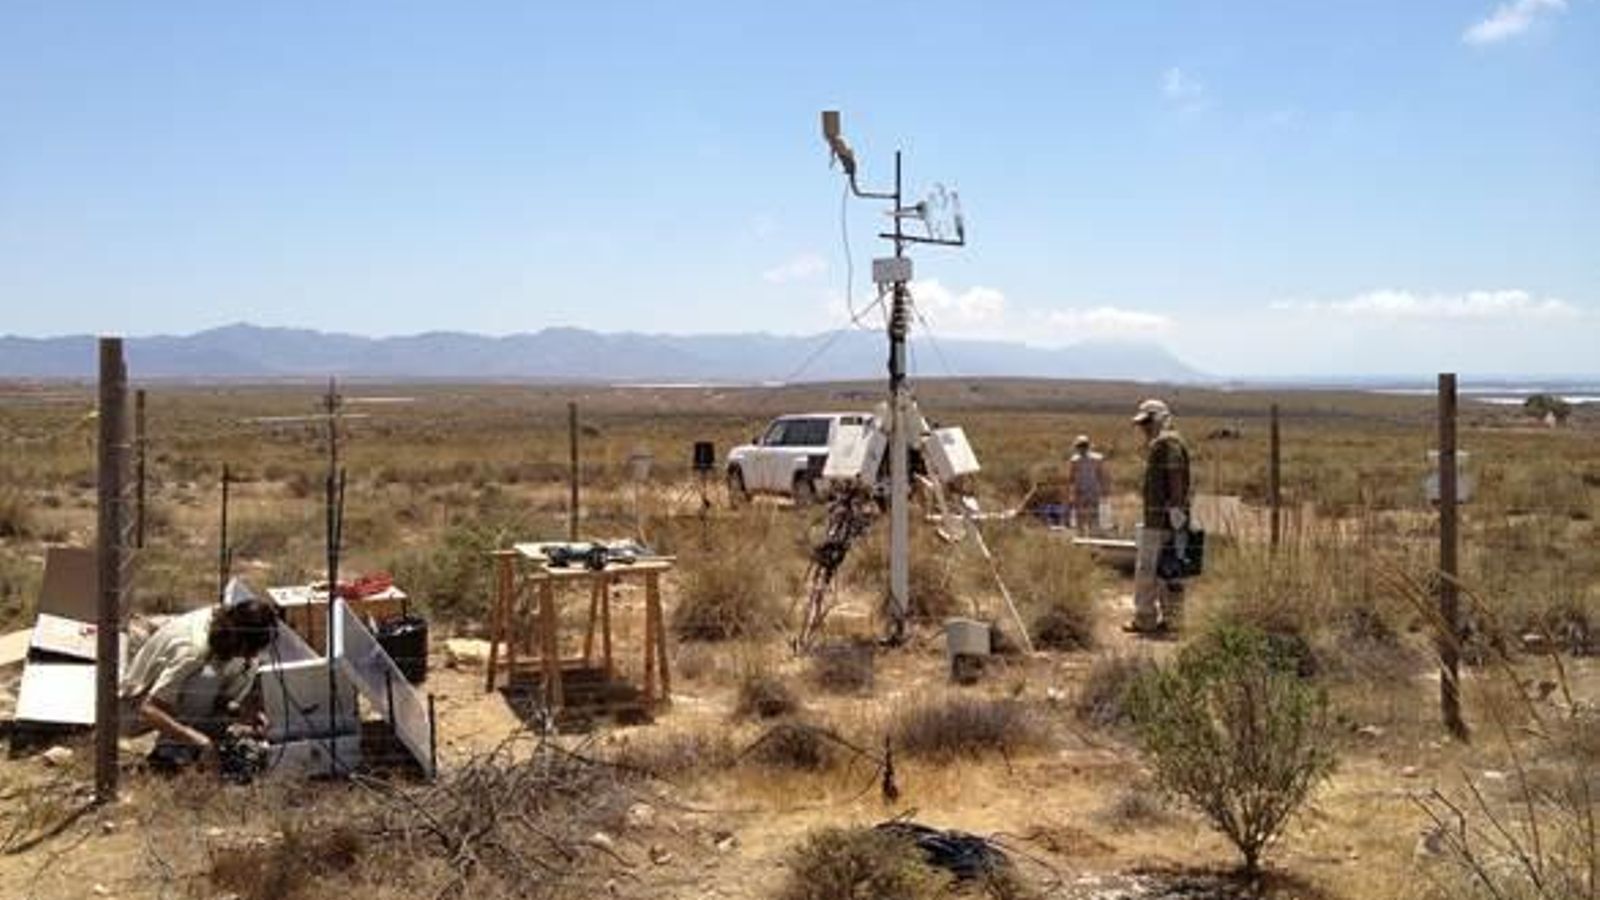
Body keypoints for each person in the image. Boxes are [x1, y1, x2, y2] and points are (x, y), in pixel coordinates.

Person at [120, 597, 278, 771]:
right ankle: (171, 753)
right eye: (249, 650)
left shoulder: (226, 629)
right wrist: (199, 741)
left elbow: (222, 699)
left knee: (236, 669)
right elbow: (148, 709)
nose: (250, 656)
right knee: (206, 678)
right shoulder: (194, 648)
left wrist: (244, 712)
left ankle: (192, 746)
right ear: (237, 638)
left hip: (170, 702)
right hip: (130, 708)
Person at [1126, 398, 1191, 635]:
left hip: (1160, 518)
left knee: (1149, 570)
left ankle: (1145, 618)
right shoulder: (1168, 441)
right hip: (1169, 517)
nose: (1144, 428)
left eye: (1147, 422)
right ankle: (1173, 620)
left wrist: (1175, 508)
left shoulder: (1166, 442)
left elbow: (1175, 474)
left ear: (1159, 419)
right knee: (1170, 569)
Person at [1067, 434, 1110, 533]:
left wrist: (1104, 489)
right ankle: (1081, 535)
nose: (1082, 448)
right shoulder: (1074, 460)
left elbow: (1102, 475)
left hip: (1093, 490)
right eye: (1080, 446)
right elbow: (1071, 477)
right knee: (1080, 515)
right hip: (1080, 491)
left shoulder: (1097, 459)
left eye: (1083, 446)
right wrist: (1071, 492)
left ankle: (1092, 534)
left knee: (1093, 514)